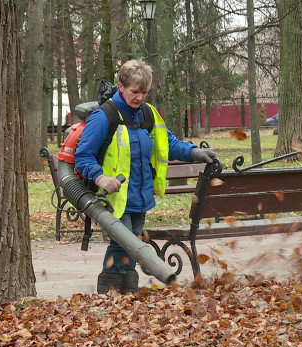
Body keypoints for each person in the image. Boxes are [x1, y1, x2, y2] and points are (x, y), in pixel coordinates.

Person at [74, 59, 218, 294]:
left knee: (132, 241)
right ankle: (111, 292)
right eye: (135, 92)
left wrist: (194, 152)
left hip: (140, 196)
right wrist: (101, 179)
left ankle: (125, 291)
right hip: (114, 196)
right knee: (125, 241)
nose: (140, 98)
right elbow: (84, 156)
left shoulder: (148, 114)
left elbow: (167, 144)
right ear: (121, 86)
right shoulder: (104, 116)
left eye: (144, 92)